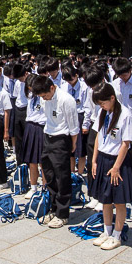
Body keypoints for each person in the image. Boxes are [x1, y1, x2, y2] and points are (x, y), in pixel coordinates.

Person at [89, 82, 132, 250]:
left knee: (119, 200)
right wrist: (94, 160)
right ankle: (107, 231)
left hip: (118, 162)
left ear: (112, 98)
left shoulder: (125, 115)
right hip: (103, 158)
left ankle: (117, 234)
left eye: (103, 103)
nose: (102, 106)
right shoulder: (103, 112)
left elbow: (125, 143)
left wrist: (116, 167)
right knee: (105, 200)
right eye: (100, 104)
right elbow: (98, 137)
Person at [32, 75, 80, 228]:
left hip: (62, 138)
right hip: (48, 136)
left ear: (52, 88)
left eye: (45, 95)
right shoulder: (43, 98)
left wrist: (72, 144)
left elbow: (73, 125)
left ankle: (63, 213)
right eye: (41, 97)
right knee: (49, 174)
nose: (44, 99)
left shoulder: (66, 100)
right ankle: (53, 208)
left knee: (62, 176)